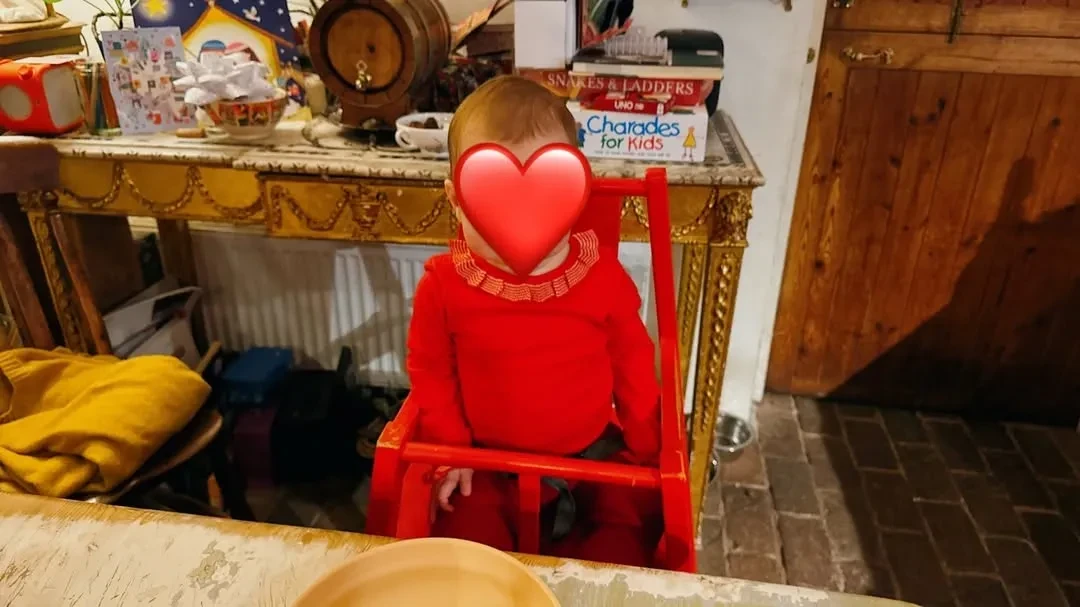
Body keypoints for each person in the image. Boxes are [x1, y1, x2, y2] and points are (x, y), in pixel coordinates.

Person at [406, 75, 662, 568]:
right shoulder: (443, 285)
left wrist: (646, 442)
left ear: (575, 195)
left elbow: (633, 359)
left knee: (622, 543)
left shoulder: (601, 277)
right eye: (492, 200)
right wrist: (452, 449)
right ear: (456, 199)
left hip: (591, 458)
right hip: (485, 463)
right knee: (463, 547)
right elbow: (431, 372)